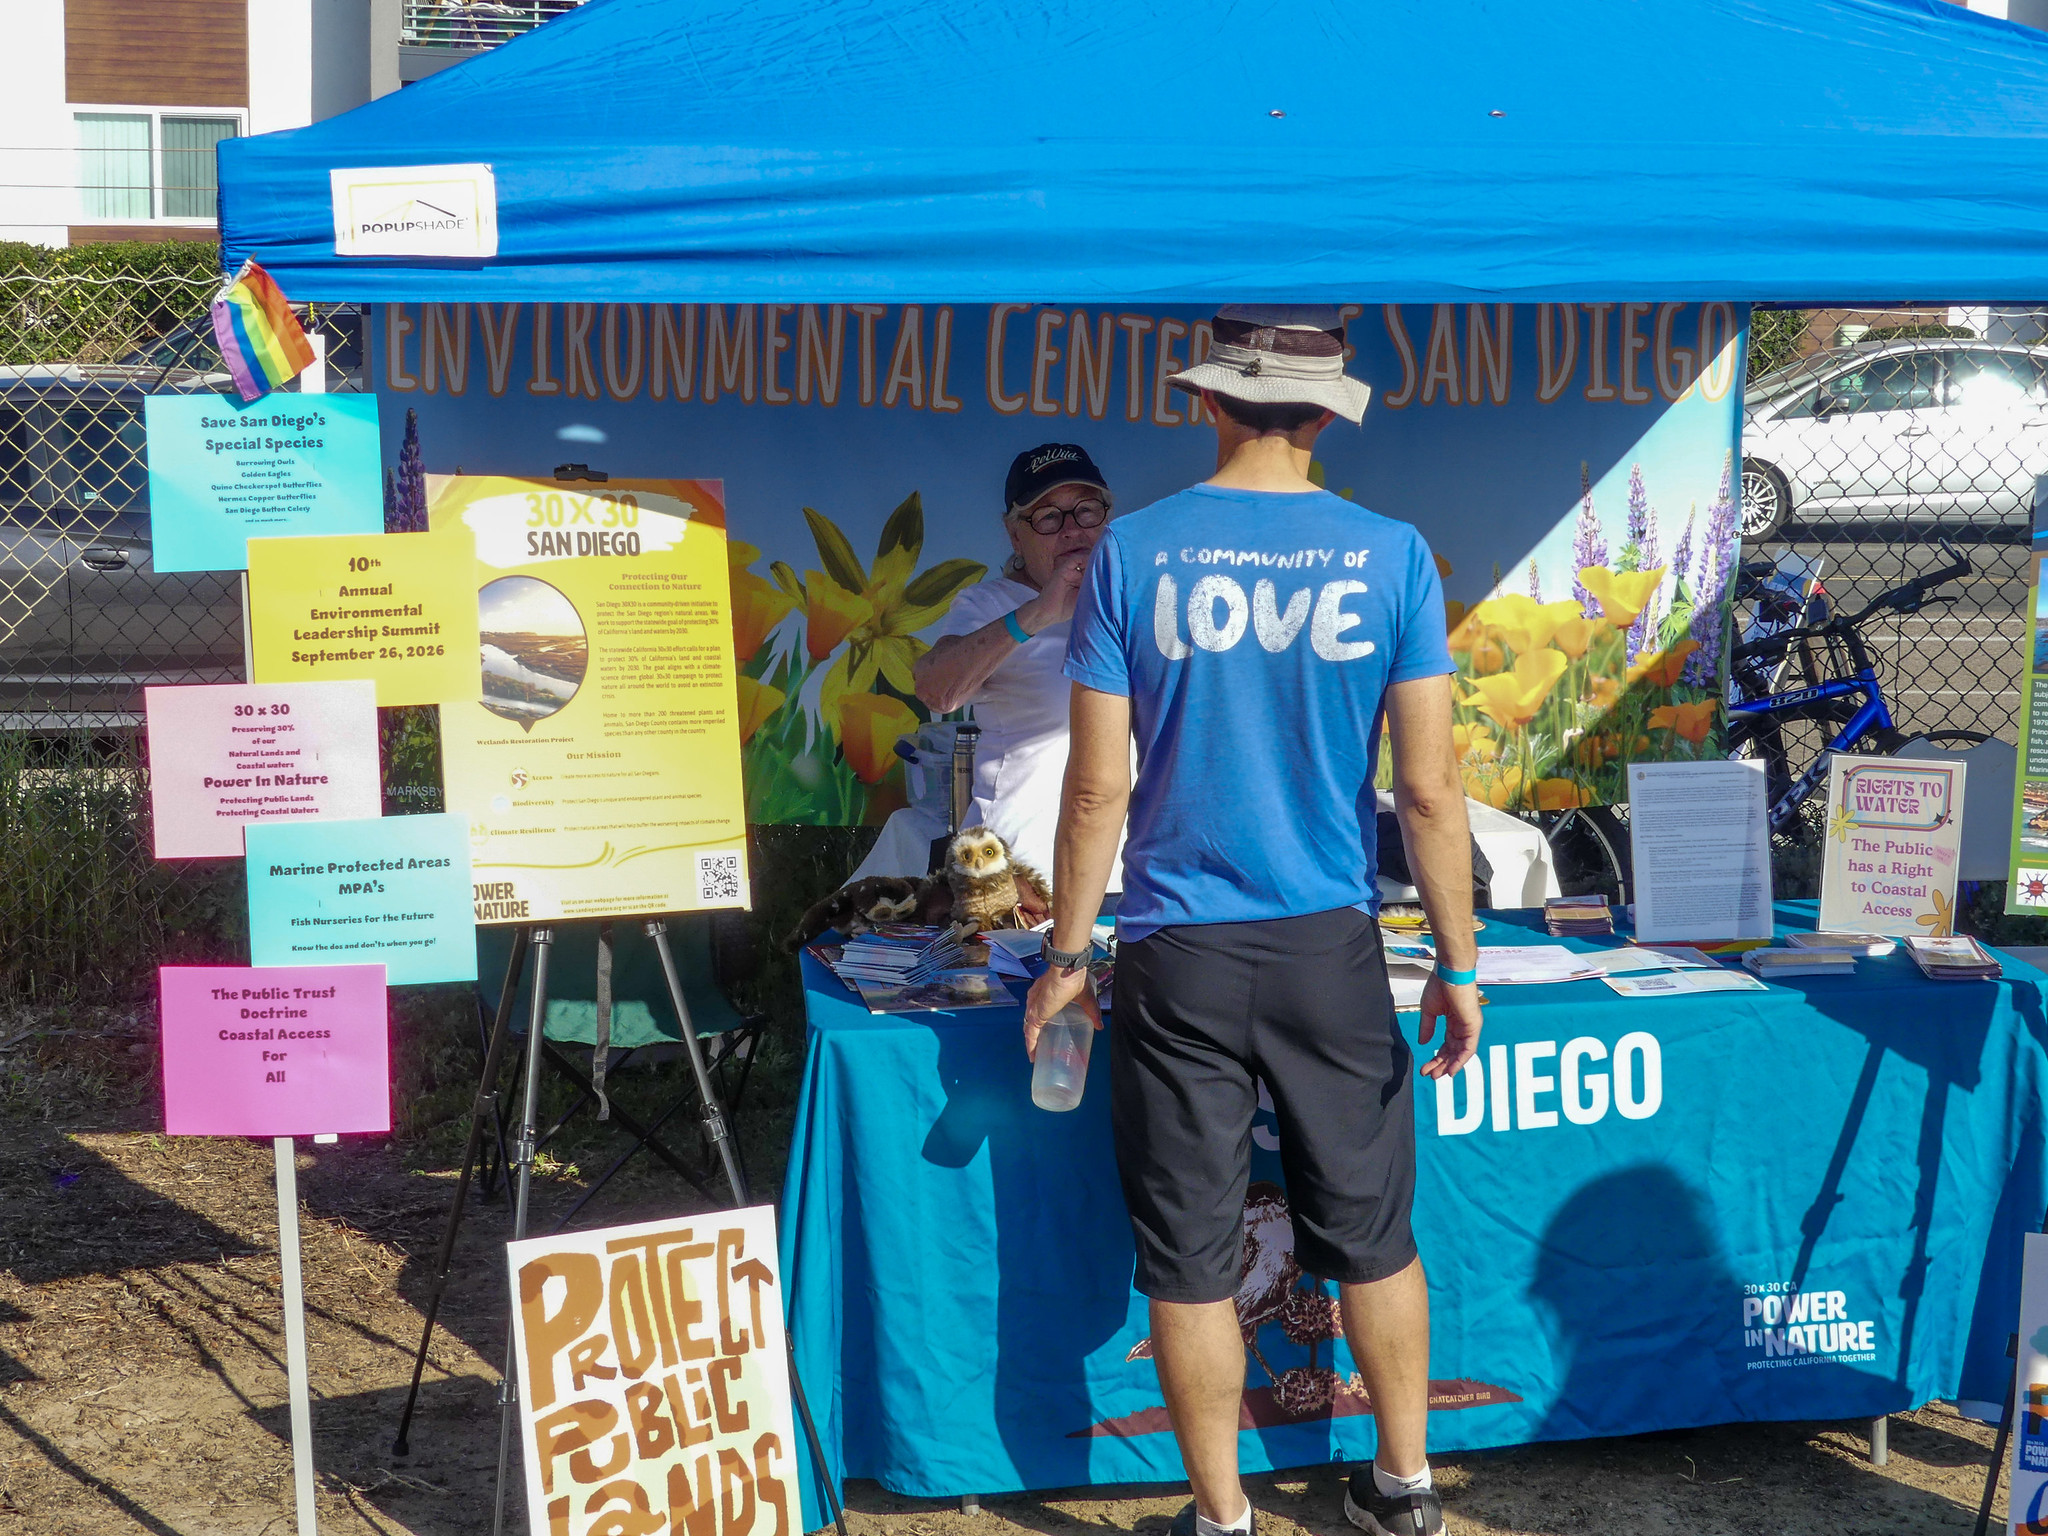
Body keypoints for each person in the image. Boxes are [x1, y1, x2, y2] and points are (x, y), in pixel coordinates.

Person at [1023, 306, 1483, 1536]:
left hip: (1176, 946)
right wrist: (1458, 961)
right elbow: (1429, 791)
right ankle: (1402, 1488)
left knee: (1187, 1253)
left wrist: (1067, 955)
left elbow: (1093, 788)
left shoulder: (1132, 552)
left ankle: (1221, 1516)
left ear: (1208, 401)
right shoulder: (1391, 555)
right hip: (1327, 943)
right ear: (1328, 409)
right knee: (1374, 1234)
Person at [911, 442, 1124, 893]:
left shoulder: (1134, 598)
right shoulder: (988, 603)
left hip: (1128, 875)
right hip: (1023, 878)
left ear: (1107, 519)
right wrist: (1040, 614)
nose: (1071, 530)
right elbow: (934, 688)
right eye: (1048, 517)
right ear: (1015, 536)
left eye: (1086, 510)